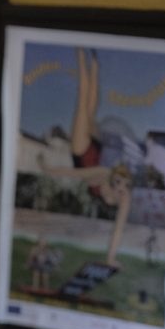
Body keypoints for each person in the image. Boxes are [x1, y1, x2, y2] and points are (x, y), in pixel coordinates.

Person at [38, 48, 134, 268]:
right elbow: (75, 173)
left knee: (85, 107)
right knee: (87, 106)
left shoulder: (111, 183)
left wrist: (111, 258)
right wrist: (48, 169)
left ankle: (88, 61)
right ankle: (87, 61)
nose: (121, 190)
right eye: (121, 185)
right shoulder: (105, 175)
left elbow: (118, 229)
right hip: (91, 152)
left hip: (84, 154)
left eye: (122, 186)